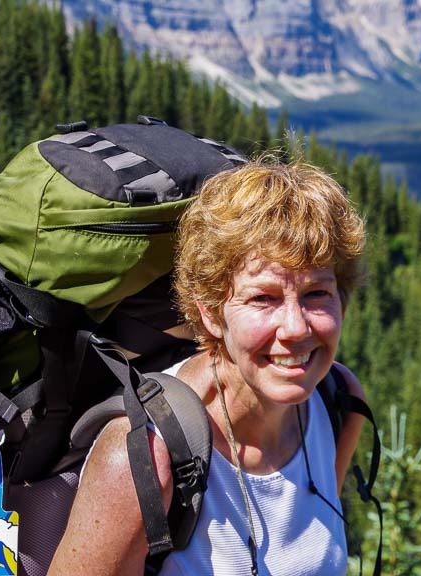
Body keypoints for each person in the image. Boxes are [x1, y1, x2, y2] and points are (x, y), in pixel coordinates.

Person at [49, 159, 368, 575]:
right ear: (211, 313)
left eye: (317, 294)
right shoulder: (145, 456)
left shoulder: (337, 401)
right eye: (263, 298)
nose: (296, 327)